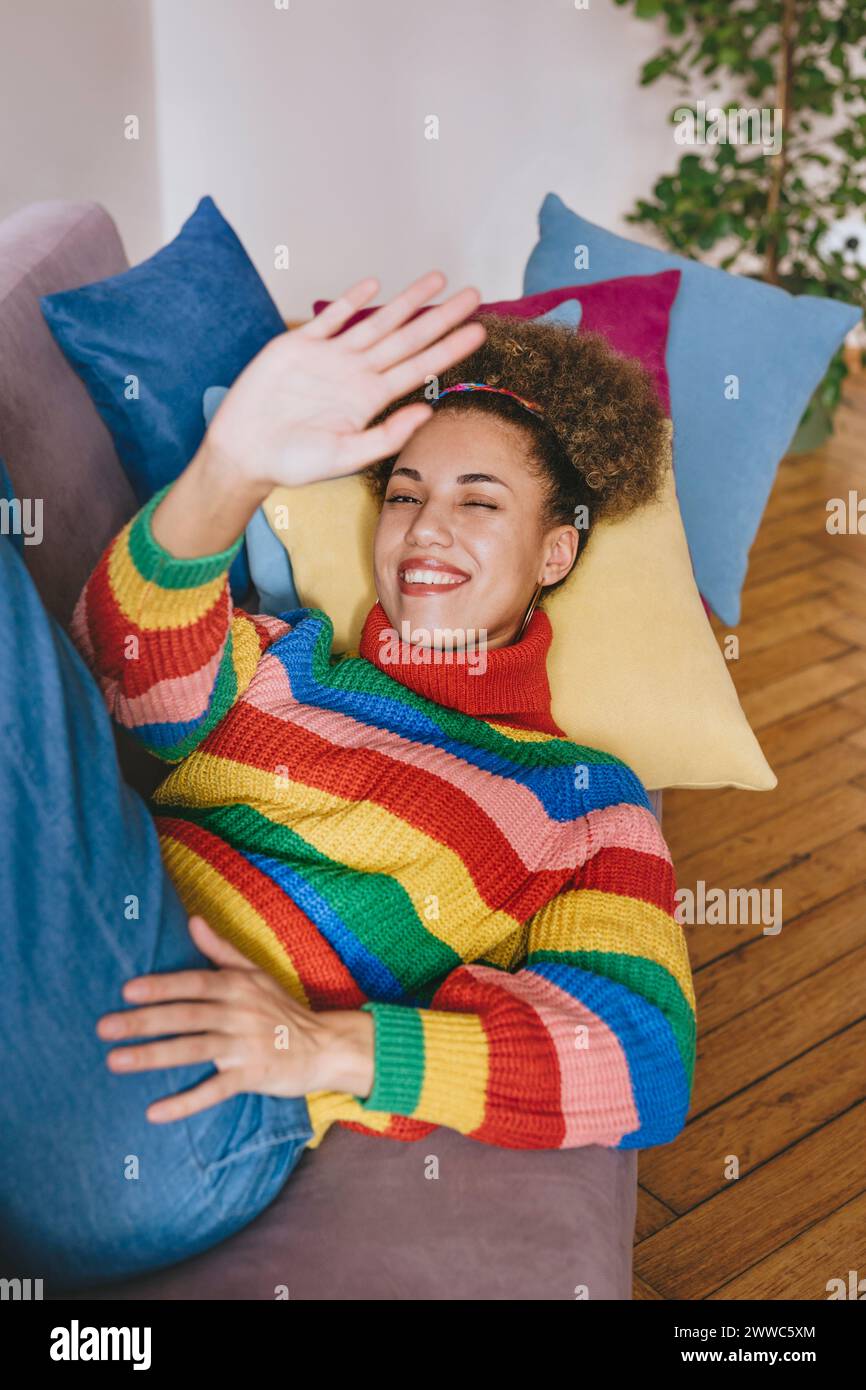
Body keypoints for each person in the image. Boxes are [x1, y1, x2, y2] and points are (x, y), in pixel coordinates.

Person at [0, 272, 695, 1291]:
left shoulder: (582, 800)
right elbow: (124, 680)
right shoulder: (289, 656)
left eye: (477, 499)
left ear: (555, 550)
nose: (425, 527)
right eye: (404, 493)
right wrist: (229, 468)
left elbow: (637, 1054)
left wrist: (331, 1049)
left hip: (174, 1110)